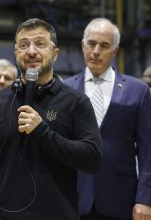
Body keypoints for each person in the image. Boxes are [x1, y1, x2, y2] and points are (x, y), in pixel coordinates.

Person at [0, 18, 102, 220]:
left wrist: (42, 132)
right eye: (24, 45)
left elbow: (92, 159)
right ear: (15, 53)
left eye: (40, 44)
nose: (31, 51)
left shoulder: (75, 102)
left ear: (55, 54)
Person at [65, 18, 151, 220]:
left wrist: (145, 199)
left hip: (121, 199)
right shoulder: (64, 90)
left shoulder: (136, 91)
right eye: (92, 43)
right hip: (73, 197)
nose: (96, 51)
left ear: (115, 50)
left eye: (104, 46)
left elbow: (148, 151)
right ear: (83, 45)